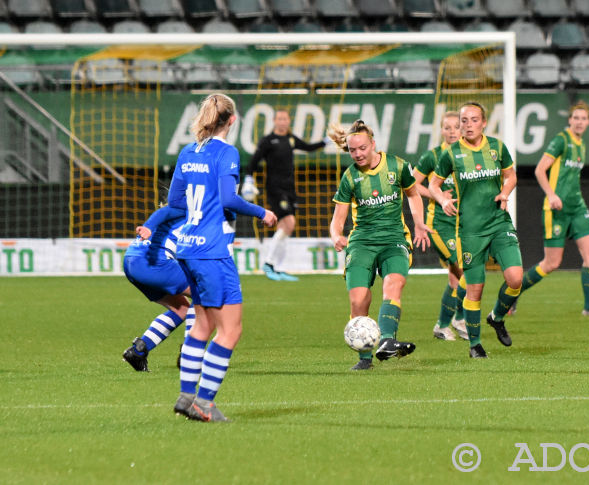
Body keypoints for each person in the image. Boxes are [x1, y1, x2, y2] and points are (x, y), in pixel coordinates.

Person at [168, 93, 277, 422]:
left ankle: (186, 397)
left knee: (201, 325)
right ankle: (204, 402)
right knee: (230, 331)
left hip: (187, 246)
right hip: (213, 251)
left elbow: (175, 202)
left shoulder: (187, 152)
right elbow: (230, 198)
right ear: (232, 120)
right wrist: (262, 212)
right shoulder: (227, 152)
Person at [328, 119, 431, 371]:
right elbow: (337, 221)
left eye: (362, 148)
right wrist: (336, 236)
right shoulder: (350, 177)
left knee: (394, 284)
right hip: (362, 242)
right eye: (353, 150)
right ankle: (364, 360)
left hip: (394, 239)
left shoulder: (397, 166)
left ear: (373, 144)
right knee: (358, 301)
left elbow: (414, 194)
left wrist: (419, 223)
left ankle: (387, 341)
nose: (358, 154)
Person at [428, 101, 522, 358]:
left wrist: (504, 192)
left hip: (499, 223)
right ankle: (475, 345)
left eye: (473, 120)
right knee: (474, 288)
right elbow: (434, 184)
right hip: (470, 230)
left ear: (484, 122)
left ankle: (497, 317)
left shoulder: (497, 147)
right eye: (464, 120)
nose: (468, 125)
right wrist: (443, 200)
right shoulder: (451, 153)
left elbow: (511, 175)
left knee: (515, 279)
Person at [511, 101, 589, 319]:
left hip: (577, 207)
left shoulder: (581, 143)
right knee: (551, 263)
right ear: (569, 120)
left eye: (583, 118)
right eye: (576, 118)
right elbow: (540, 170)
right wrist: (551, 194)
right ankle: (513, 294)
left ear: (588, 122)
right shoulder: (561, 140)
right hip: (556, 209)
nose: (579, 122)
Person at [240, 108, 328, 281]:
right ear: (274, 121)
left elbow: (309, 147)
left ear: (289, 121)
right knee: (289, 222)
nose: (282, 122)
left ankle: (277, 267)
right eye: (279, 119)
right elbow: (253, 161)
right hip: (275, 189)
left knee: (286, 227)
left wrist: (326, 141)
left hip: (289, 189)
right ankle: (268, 263)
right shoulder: (268, 141)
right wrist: (249, 179)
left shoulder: (291, 139)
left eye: (285, 119)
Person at [412, 111, 468, 341]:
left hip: (463, 224)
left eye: (456, 126)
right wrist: (436, 196)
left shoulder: (468, 155)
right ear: (442, 130)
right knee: (468, 271)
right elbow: (412, 185)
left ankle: (443, 326)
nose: (452, 131)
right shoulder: (432, 156)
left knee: (456, 278)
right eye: (447, 127)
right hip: (439, 225)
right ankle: (458, 318)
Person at [121, 205, 195, 372]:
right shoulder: (195, 215)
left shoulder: (177, 212)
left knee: (182, 309)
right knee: (204, 295)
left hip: (131, 260)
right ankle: (190, 354)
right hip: (153, 264)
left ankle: (138, 350)